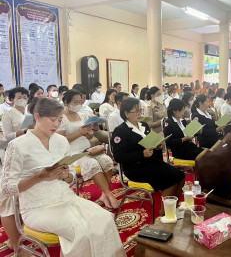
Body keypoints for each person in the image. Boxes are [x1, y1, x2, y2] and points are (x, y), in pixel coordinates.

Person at [1, 97, 125, 257]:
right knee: (81, 229)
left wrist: (66, 175)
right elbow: (6, 188)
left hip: (66, 198)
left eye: (59, 120)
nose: (56, 124)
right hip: (36, 207)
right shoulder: (18, 145)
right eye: (52, 120)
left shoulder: (60, 141)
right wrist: (40, 177)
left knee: (105, 219)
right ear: (37, 117)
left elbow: (72, 177)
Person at [111, 98, 185, 216]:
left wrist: (157, 146)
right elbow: (119, 157)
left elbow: (149, 144)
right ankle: (164, 214)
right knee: (170, 180)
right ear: (126, 113)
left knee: (181, 176)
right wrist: (141, 154)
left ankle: (173, 207)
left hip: (151, 162)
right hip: (135, 168)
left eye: (141, 110)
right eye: (136, 111)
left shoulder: (144, 125)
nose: (140, 114)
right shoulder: (120, 131)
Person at [57, 90, 119, 209]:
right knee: (92, 163)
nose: (78, 105)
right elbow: (61, 140)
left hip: (87, 148)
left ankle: (104, 193)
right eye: (75, 102)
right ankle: (109, 194)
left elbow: (90, 136)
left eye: (79, 102)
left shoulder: (82, 115)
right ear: (66, 102)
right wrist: (80, 132)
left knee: (107, 160)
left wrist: (89, 131)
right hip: (72, 152)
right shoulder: (62, 118)